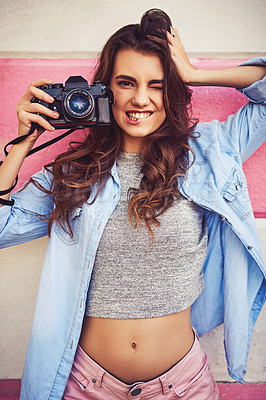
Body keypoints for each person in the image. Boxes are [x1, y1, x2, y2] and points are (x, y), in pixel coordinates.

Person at [0, 8, 265, 400]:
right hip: (85, 386)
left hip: (184, 386)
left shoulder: (209, 153)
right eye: (126, 82)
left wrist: (193, 74)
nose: (141, 98)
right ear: (104, 89)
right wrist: (23, 144)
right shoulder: (73, 173)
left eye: (157, 84)